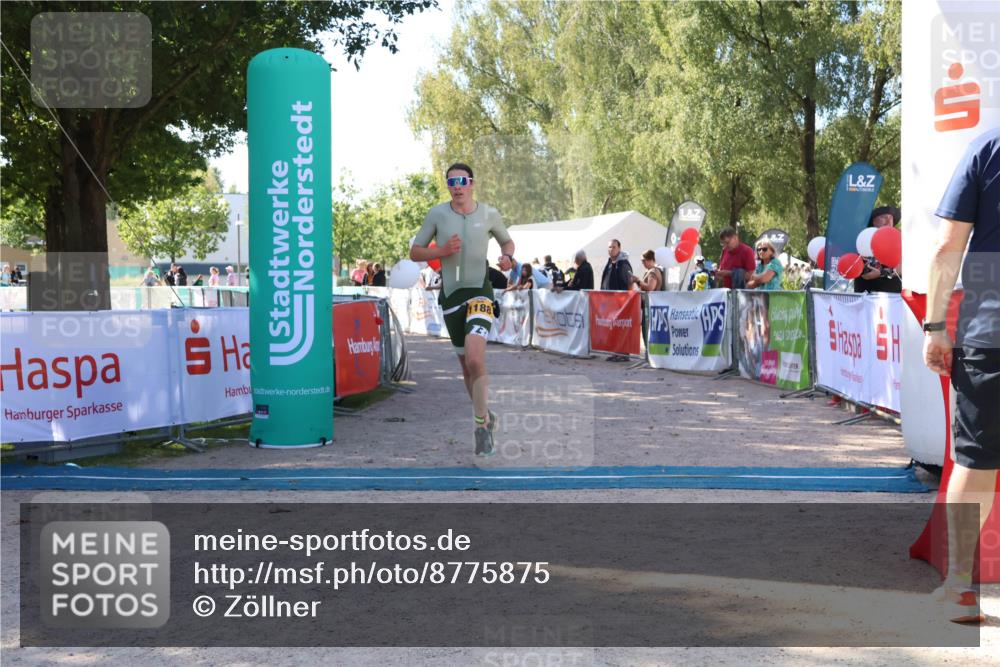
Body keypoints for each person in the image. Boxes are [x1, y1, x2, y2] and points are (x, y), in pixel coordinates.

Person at [922, 128, 999, 625]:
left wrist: (934, 326)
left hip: (991, 330)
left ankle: (960, 591)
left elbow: (949, 245)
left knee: (975, 461)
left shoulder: (986, 146)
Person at [410, 162, 515, 456]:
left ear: (472, 183)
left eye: (462, 180)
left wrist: (508, 259)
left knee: (475, 355)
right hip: (451, 296)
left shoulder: (489, 213)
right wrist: (441, 252)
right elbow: (415, 251)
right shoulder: (438, 214)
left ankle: (480, 427)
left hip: (480, 293)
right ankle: (486, 417)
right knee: (466, 367)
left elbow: (508, 242)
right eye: (451, 181)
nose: (457, 186)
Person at [854, 206, 903, 294]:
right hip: (866, 295)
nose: (888, 221)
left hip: (894, 296)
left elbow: (905, 266)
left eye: (890, 218)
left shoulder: (899, 237)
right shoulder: (863, 237)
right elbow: (866, 275)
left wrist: (882, 272)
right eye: (884, 217)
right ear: (873, 221)